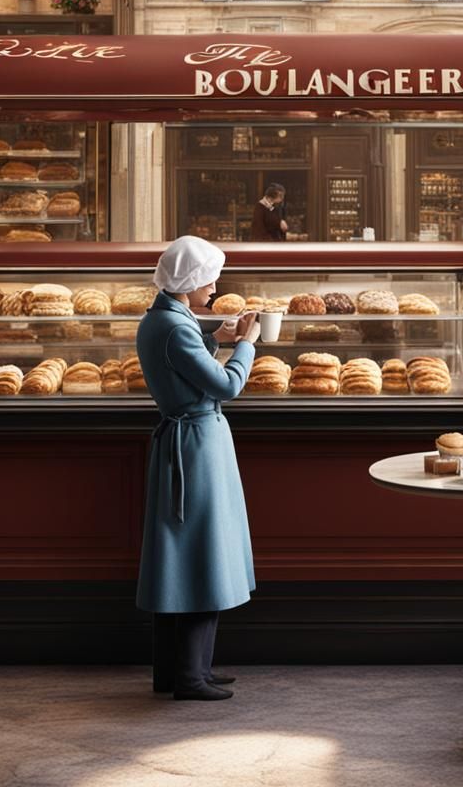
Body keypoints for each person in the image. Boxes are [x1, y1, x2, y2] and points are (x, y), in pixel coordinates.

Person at [136, 235, 261, 701]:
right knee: (202, 556)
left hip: (184, 444)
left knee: (179, 560)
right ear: (188, 282)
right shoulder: (175, 328)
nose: (213, 287)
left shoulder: (161, 319)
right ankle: (191, 678)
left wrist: (215, 338)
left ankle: (177, 671)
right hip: (196, 449)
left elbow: (181, 358)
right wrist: (246, 345)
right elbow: (226, 386)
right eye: (208, 279)